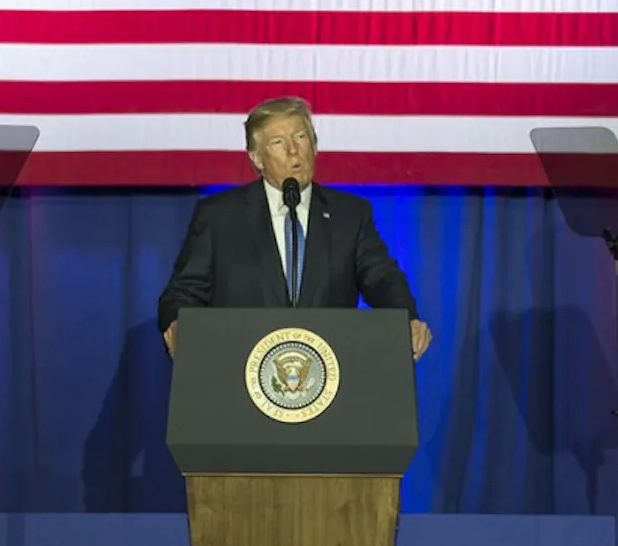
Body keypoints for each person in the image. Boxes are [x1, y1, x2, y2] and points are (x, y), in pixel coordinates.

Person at [156, 96, 434, 361]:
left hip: (329, 369)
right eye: (278, 142)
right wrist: (178, 323)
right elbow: (185, 290)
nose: (293, 150)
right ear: (257, 159)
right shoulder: (219, 215)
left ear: (315, 146)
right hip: (239, 365)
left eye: (301, 137)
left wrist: (406, 318)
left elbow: (382, 279)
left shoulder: (350, 214)